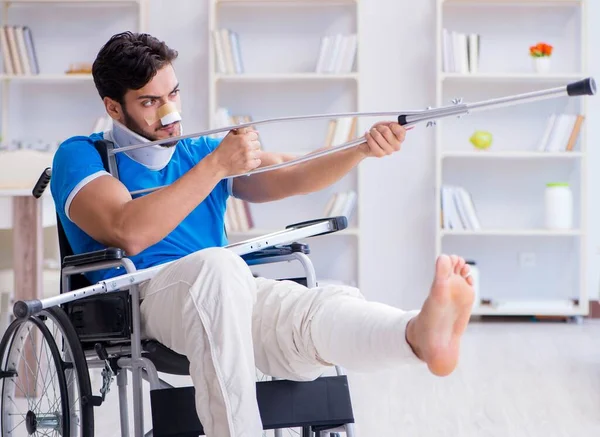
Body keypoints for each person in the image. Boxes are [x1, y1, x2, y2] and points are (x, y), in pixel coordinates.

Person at [50, 31, 475, 436]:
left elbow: (289, 172)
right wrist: (217, 166)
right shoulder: (81, 155)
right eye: (150, 102)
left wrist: (361, 147)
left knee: (309, 312)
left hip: (226, 292)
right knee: (217, 266)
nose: (171, 114)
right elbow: (129, 231)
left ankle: (416, 336)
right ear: (113, 107)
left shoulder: (196, 152)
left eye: (174, 94)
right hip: (142, 300)